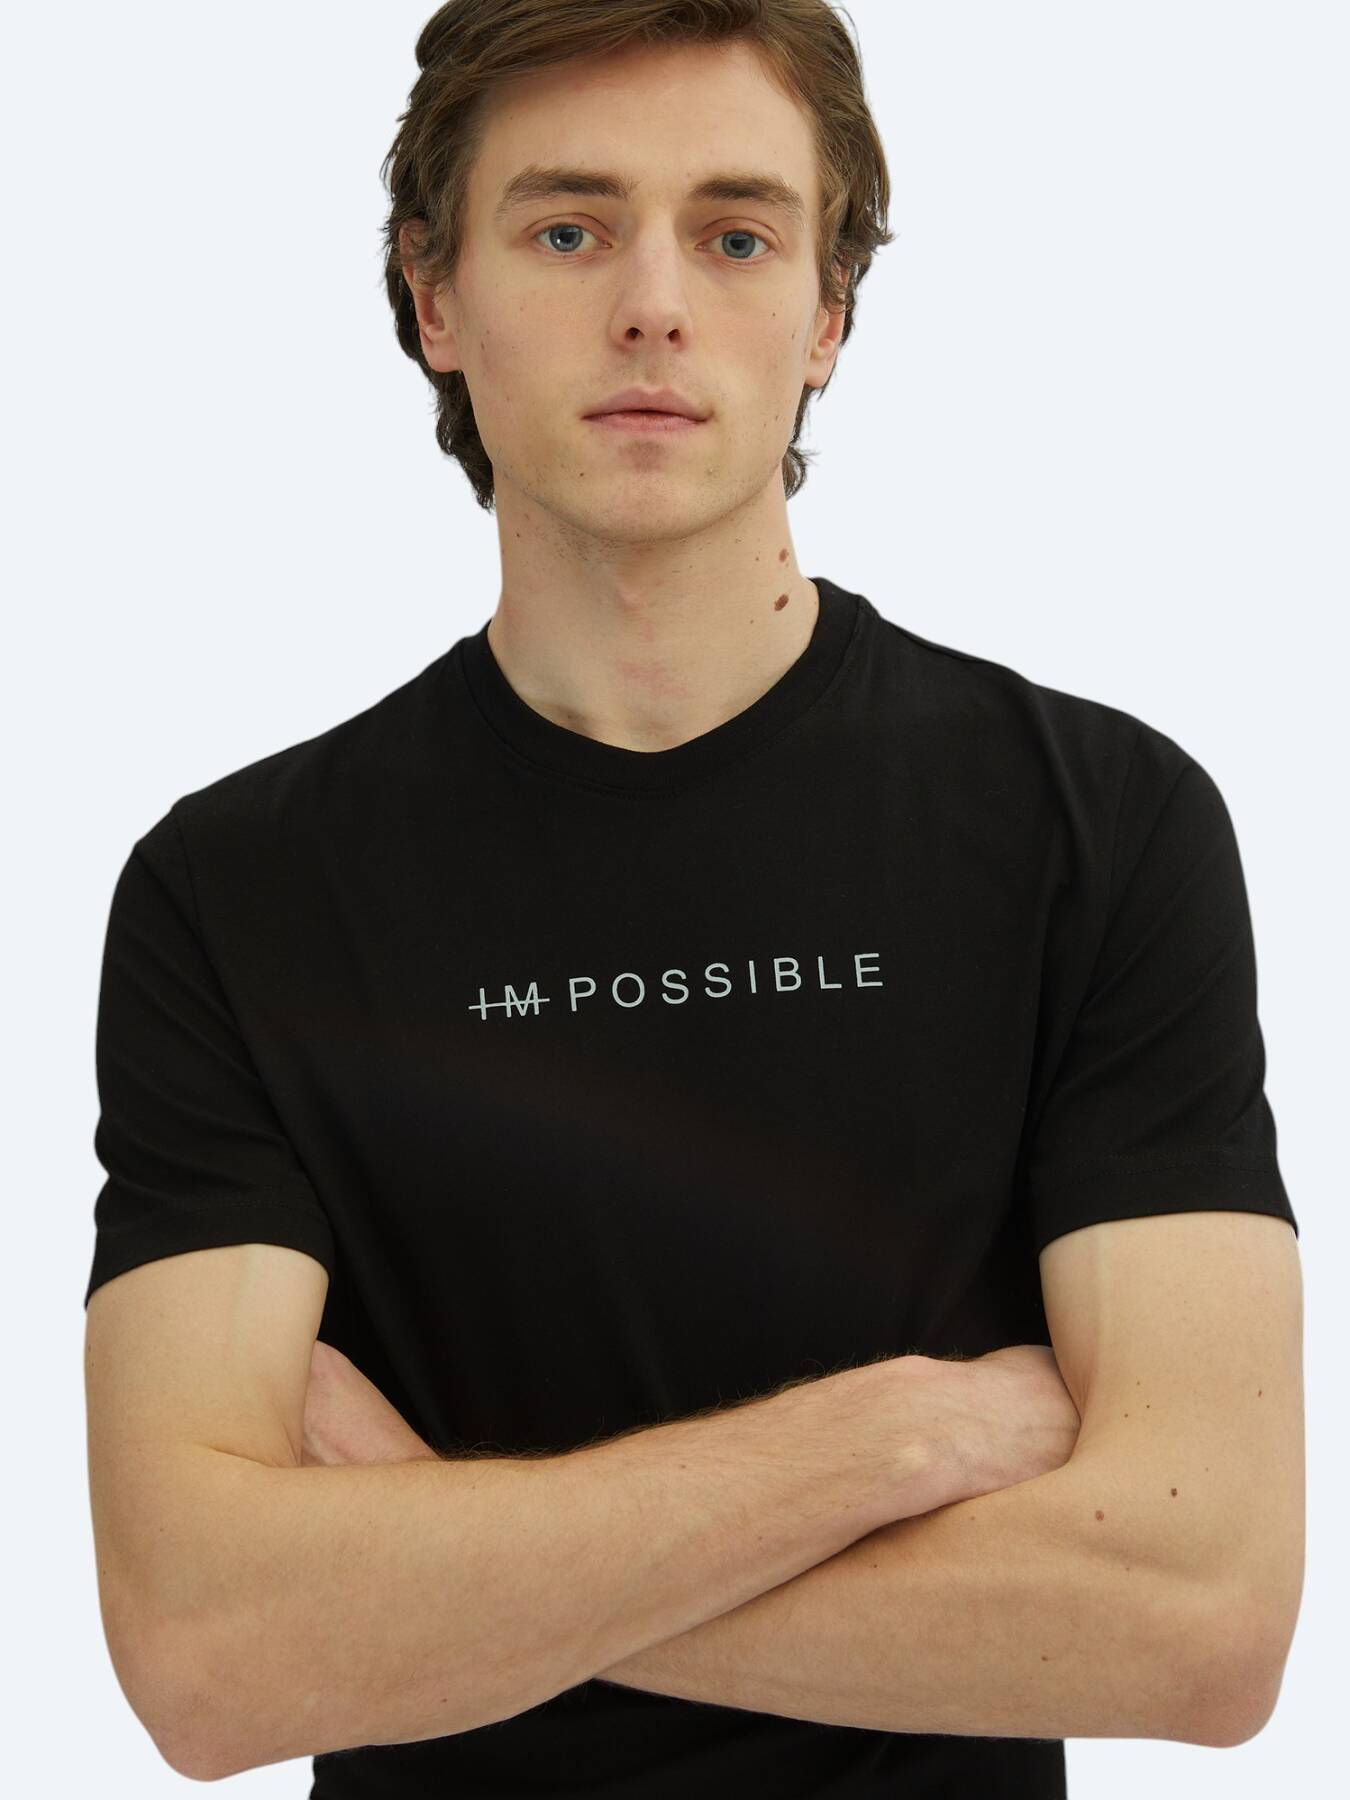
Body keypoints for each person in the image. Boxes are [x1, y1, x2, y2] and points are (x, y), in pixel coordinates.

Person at [82, 3, 1298, 1795]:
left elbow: (1196, 1624)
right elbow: (210, 1659)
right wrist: (892, 1439)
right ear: (434, 295)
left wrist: (434, 1567)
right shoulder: (233, 887)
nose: (652, 304)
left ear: (827, 314)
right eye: (568, 229)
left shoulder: (1100, 823)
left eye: (734, 236)